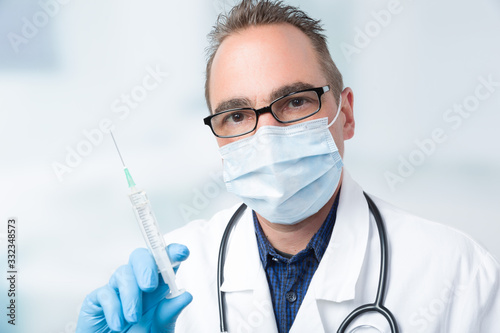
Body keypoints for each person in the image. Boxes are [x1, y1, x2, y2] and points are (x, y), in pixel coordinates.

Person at [76, 1, 500, 332]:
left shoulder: (456, 273)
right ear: (218, 136)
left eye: (295, 102)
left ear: (345, 114)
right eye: (237, 115)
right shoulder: (173, 279)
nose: (266, 134)